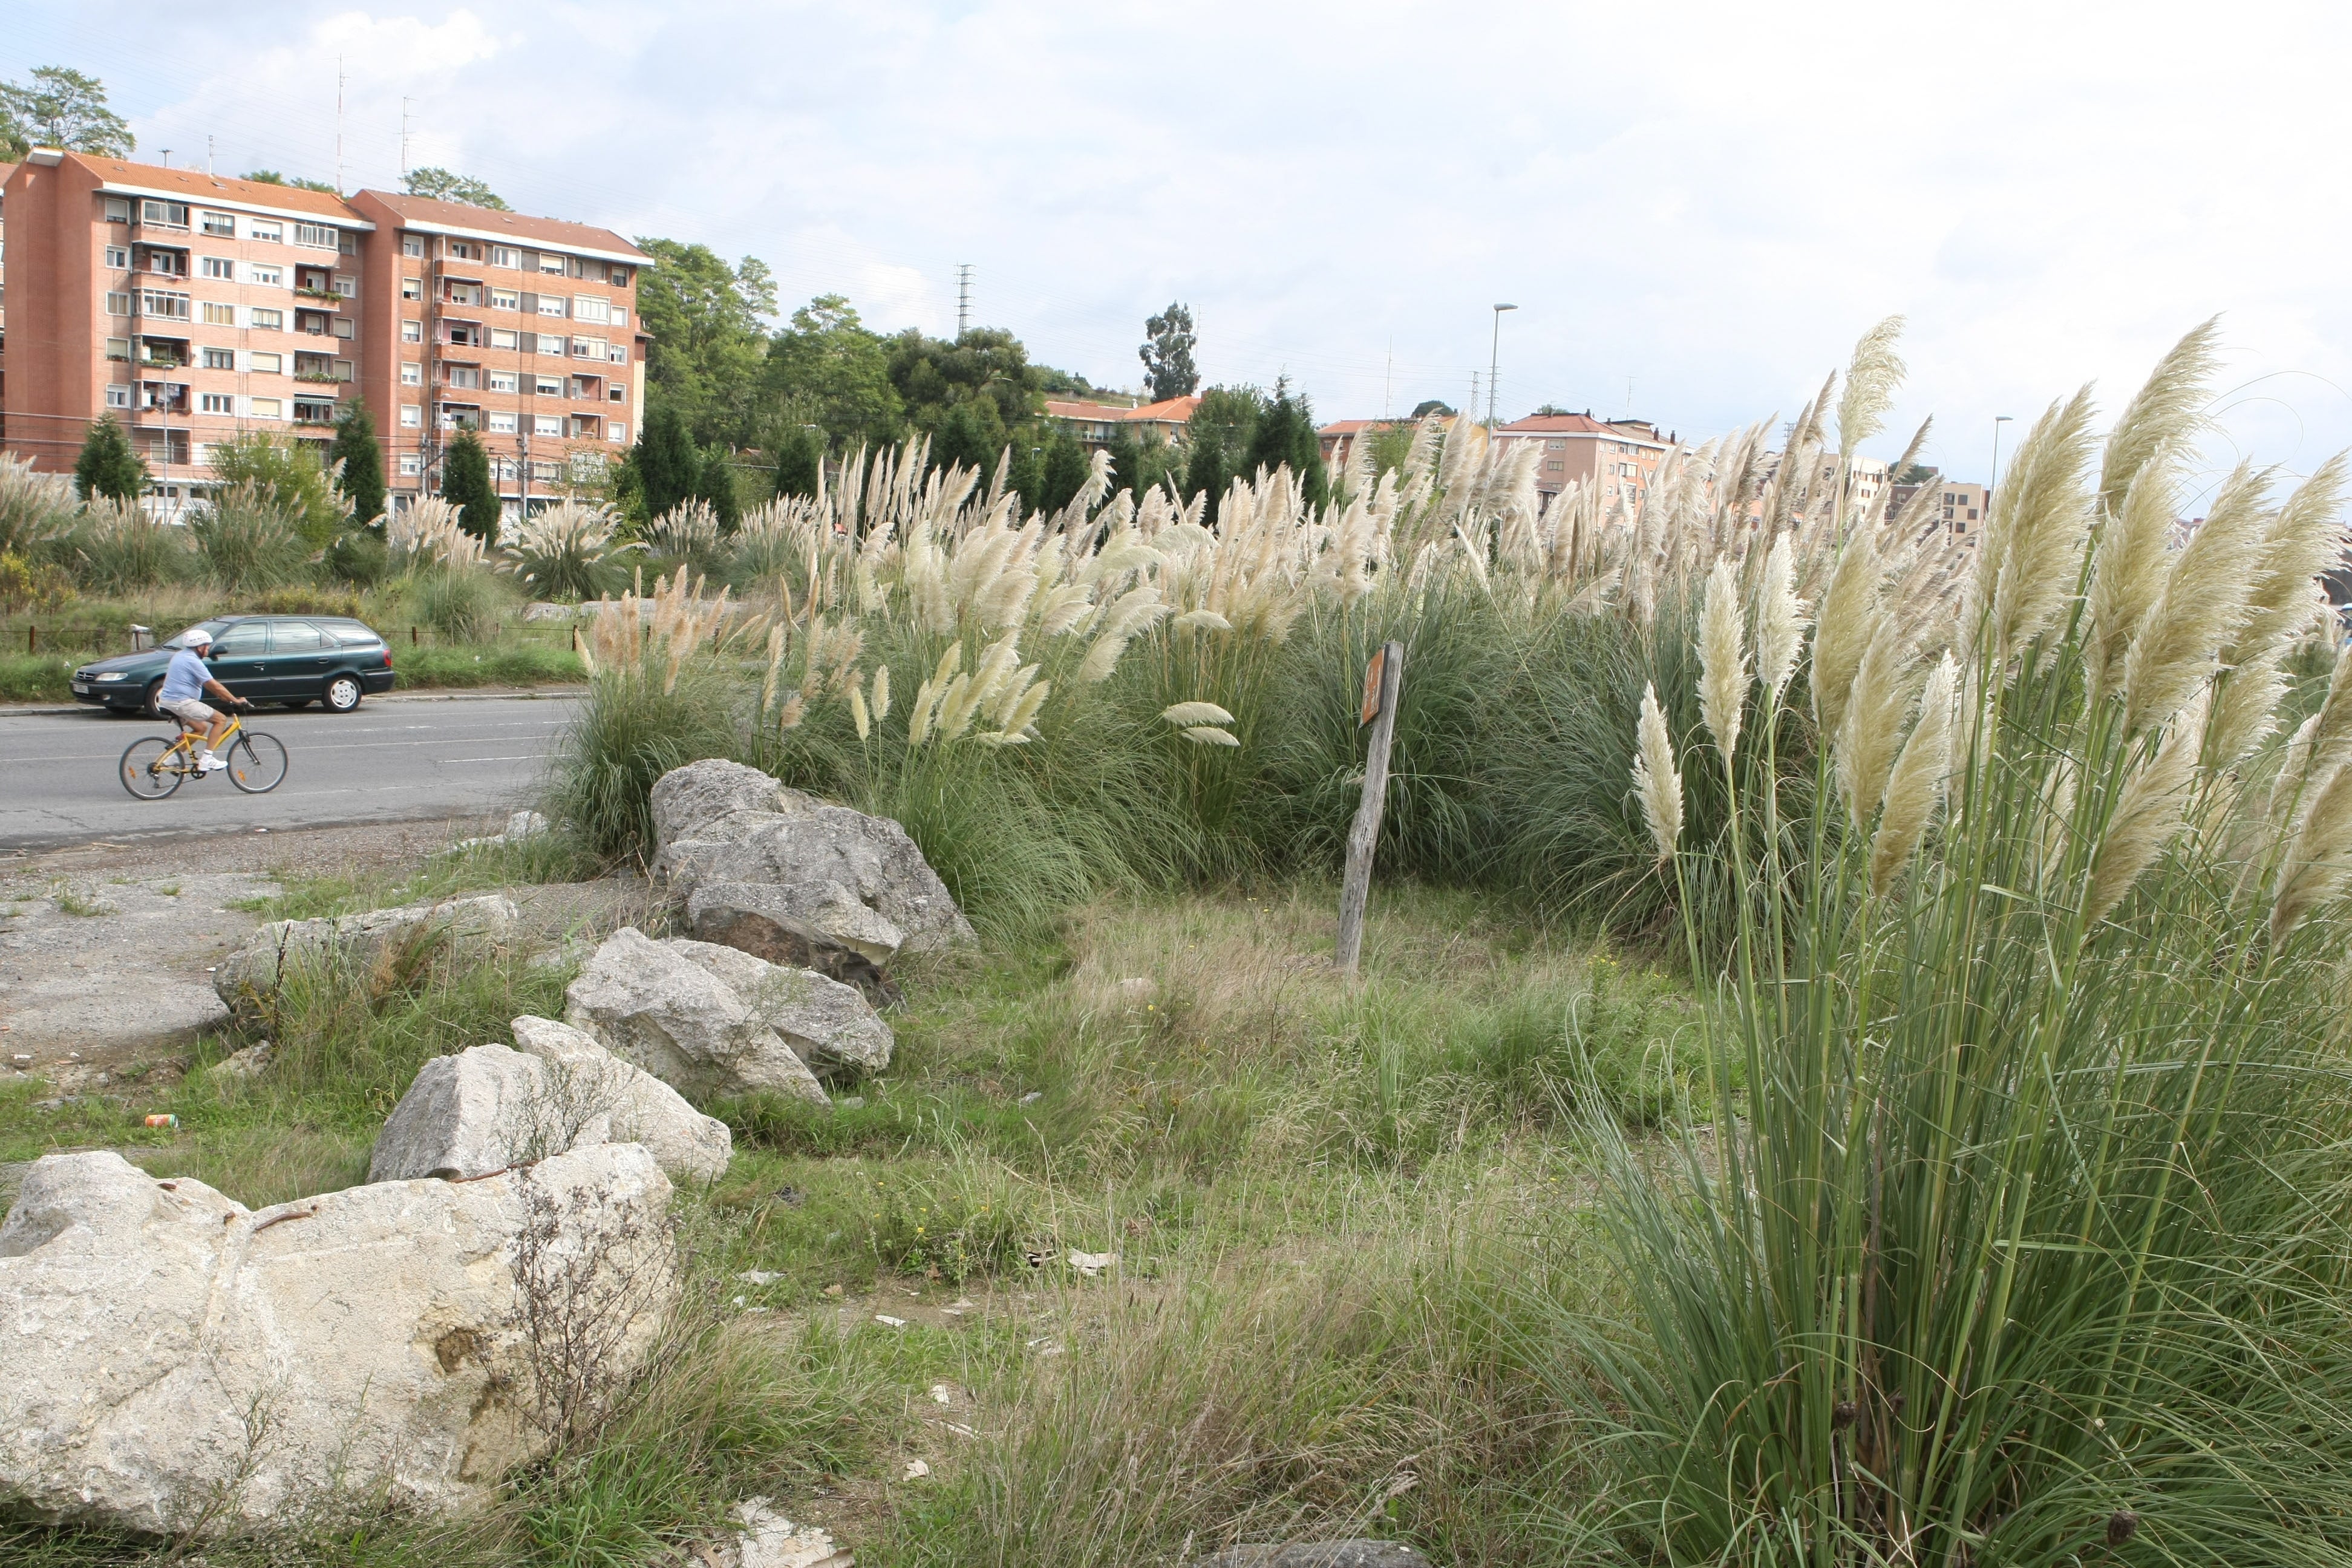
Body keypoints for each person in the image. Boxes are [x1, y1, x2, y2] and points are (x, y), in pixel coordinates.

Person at [155, 627, 247, 773]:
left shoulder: (180, 655)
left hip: (168, 702)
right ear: (200, 647)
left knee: (201, 728)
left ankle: (173, 759)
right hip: (182, 703)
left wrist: (222, 696)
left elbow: (208, 687)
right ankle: (207, 760)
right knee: (220, 720)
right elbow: (213, 684)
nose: (208, 649)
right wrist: (235, 700)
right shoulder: (192, 661)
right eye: (207, 646)